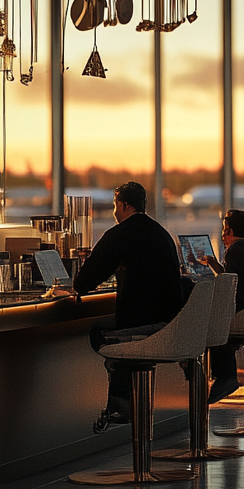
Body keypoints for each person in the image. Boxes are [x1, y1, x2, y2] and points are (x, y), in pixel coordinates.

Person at [70, 182, 186, 431]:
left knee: (100, 333)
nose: (114, 212)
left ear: (123, 205)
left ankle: (120, 405)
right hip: (171, 322)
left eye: (115, 206)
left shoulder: (120, 234)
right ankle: (125, 401)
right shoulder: (161, 233)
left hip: (145, 326)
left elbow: (83, 283)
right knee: (120, 333)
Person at [198, 209, 244, 404]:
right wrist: (212, 263)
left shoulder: (233, 251)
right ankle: (224, 376)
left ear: (228, 230)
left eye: (223, 230)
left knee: (213, 326)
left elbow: (227, 288)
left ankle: (225, 377)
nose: (222, 235)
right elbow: (231, 277)